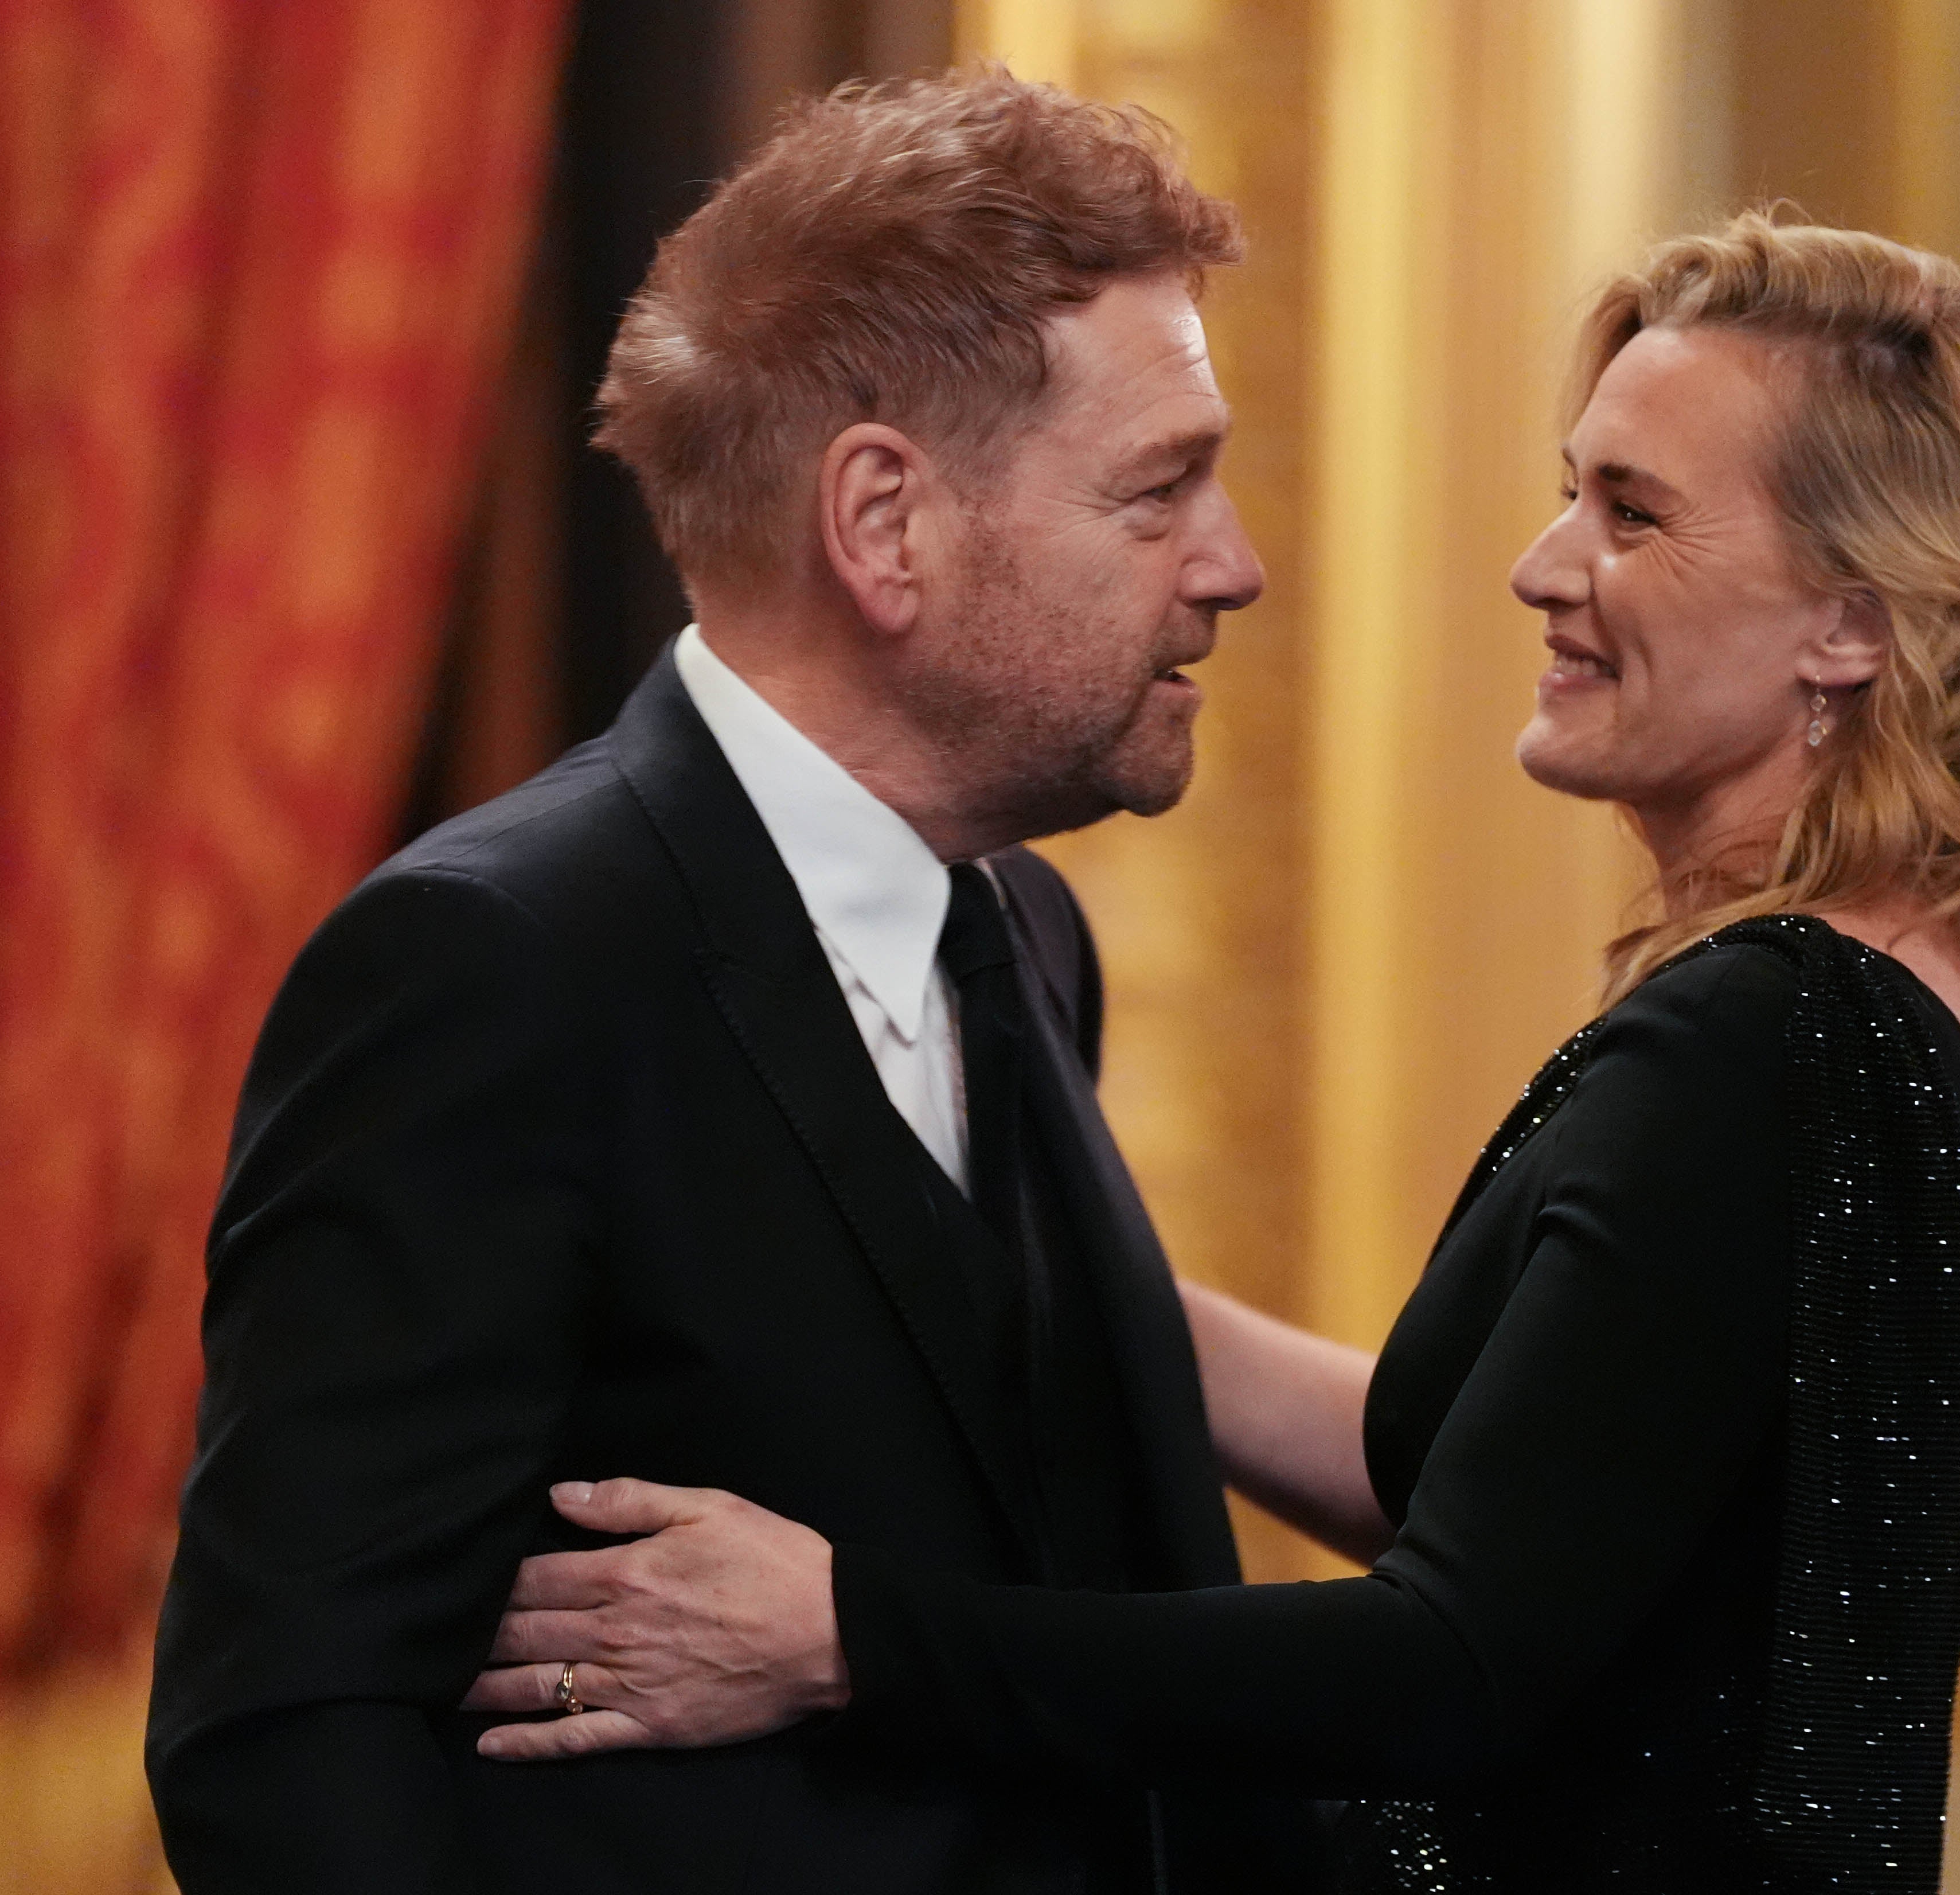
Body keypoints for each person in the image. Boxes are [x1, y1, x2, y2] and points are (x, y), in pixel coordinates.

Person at [463, 212, 1960, 1892]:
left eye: (1632, 514)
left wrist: (848, 1635)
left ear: (1853, 622)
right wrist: (1020, 1261)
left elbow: (1453, 1664)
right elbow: (1540, 1502)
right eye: (1570, 491)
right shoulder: (1912, 1011)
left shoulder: (1769, 1034)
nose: (1543, 564)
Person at [146, 71, 1329, 1895]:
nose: (1233, 566)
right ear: (886, 522)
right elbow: (284, 1735)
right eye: (1159, 489)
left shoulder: (1027, 932)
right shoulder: (492, 967)